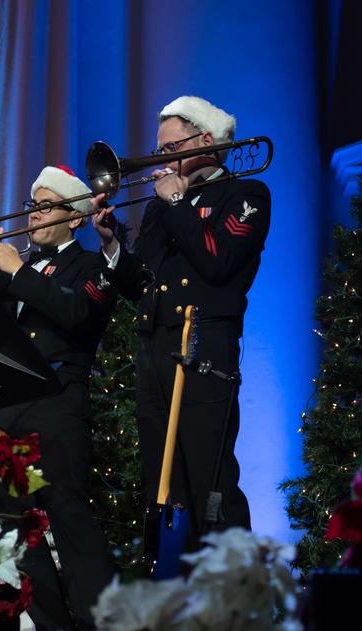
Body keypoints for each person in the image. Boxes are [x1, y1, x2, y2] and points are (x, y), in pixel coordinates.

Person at [91, 95, 270, 551]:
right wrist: (112, 247)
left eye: (169, 149)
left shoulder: (246, 194)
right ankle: (175, 604)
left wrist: (177, 202)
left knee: (211, 480)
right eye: (159, 151)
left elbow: (217, 260)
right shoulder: (161, 208)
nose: (159, 160)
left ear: (206, 142)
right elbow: (140, 286)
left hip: (205, 344)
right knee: (164, 486)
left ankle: (231, 599)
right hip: (154, 349)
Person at [0, 165, 119, 631]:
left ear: (74, 218)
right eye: (32, 205)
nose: (34, 214)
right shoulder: (10, 272)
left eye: (46, 205)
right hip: (4, 406)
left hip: (56, 403)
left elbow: (77, 313)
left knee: (68, 517)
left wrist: (16, 269)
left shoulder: (90, 266)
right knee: (15, 529)